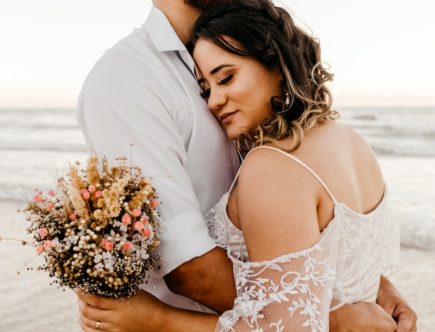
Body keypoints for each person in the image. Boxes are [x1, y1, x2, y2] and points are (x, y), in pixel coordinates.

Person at [76, 0, 417, 331]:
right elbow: (186, 266)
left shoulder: (277, 153)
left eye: (225, 79)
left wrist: (372, 290)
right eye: (206, 88)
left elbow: (322, 261)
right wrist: (336, 313)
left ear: (275, 64)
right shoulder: (127, 78)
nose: (214, 101)